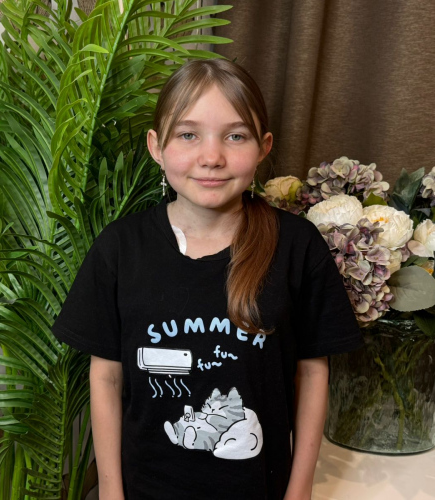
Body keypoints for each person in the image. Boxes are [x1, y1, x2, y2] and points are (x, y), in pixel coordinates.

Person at [52, 59, 362, 500]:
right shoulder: (119, 248)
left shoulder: (297, 246)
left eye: (235, 136)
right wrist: (110, 492)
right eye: (188, 135)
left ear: (263, 147)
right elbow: (106, 378)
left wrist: (300, 491)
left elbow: (312, 373)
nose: (212, 157)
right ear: (156, 147)